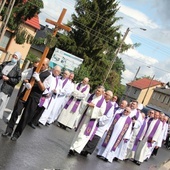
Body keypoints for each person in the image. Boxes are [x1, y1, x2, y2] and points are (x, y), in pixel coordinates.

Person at [1, 58, 52, 141]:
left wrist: (38, 79)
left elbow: (43, 88)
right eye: (41, 63)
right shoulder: (34, 69)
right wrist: (26, 83)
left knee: (25, 116)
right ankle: (8, 131)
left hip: (34, 97)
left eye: (43, 64)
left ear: (47, 66)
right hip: (25, 93)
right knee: (16, 111)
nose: (41, 65)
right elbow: (25, 78)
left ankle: (17, 134)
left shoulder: (49, 76)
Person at [68, 85, 106, 156]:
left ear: (102, 92)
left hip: (92, 120)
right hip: (84, 117)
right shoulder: (91, 96)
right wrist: (87, 104)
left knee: (84, 136)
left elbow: (102, 112)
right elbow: (83, 102)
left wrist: (94, 107)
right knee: (79, 133)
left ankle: (76, 149)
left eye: (99, 91)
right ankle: (72, 147)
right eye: (96, 90)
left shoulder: (103, 101)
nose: (97, 92)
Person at [79, 90, 114, 157]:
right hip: (92, 119)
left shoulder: (111, 106)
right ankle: (81, 147)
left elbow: (108, 117)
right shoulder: (99, 100)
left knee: (94, 138)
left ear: (110, 97)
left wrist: (99, 118)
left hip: (100, 123)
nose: (105, 95)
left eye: (107, 94)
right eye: (105, 93)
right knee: (86, 134)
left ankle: (87, 151)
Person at [0, 52, 21, 119]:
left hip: (7, 87)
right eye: (13, 56)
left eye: (16, 57)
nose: (14, 58)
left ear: (18, 59)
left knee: (1, 101)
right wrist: (2, 76)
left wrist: (8, 79)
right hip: (0, 82)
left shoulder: (17, 69)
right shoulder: (5, 63)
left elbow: (17, 80)